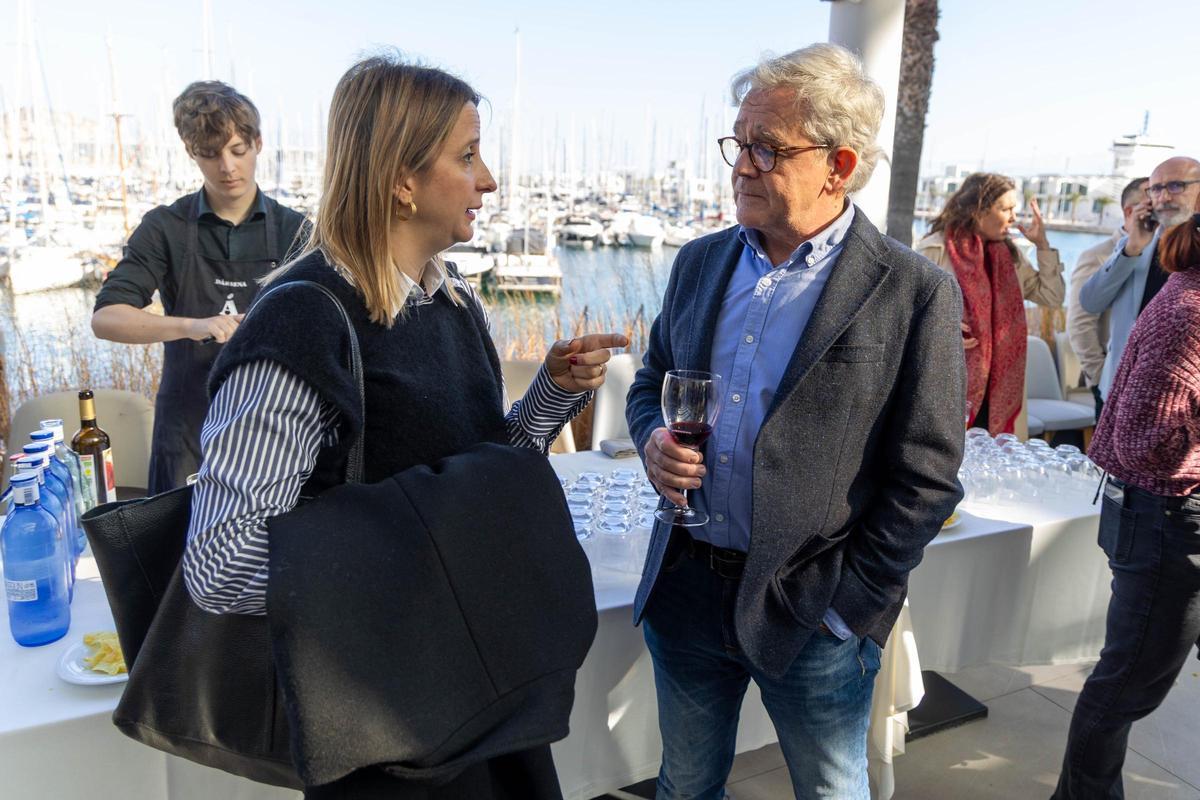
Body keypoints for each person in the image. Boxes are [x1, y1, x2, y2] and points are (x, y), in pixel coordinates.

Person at [181, 55, 626, 798]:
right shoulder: (302, 318)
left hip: (479, 690)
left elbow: (482, 483)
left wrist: (550, 396)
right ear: (401, 179)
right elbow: (219, 562)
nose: (488, 180)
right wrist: (425, 572)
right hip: (385, 729)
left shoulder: (454, 305)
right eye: (468, 155)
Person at [625, 44, 965, 800]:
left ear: (838, 165)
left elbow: (929, 477)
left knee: (831, 792)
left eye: (766, 149)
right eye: (738, 143)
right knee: (685, 787)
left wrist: (850, 612)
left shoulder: (913, 293)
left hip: (813, 607)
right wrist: (651, 436)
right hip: (684, 587)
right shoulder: (699, 262)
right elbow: (650, 382)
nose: (740, 165)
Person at [91, 81, 308, 494]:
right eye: (210, 155)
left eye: (237, 151)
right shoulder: (164, 228)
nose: (227, 167)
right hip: (187, 429)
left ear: (257, 143)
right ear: (192, 153)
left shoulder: (296, 231)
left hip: (273, 431)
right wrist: (192, 327)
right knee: (177, 553)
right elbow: (106, 319)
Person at [1052, 211, 1200, 799]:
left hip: (1166, 513)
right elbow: (1141, 438)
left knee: (1132, 677)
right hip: (1164, 519)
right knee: (1127, 684)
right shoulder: (1187, 313)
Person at [915, 173, 1065, 436]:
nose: (1013, 218)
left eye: (1014, 210)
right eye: (1005, 209)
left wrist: (1042, 246)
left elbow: (1052, 297)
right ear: (978, 209)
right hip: (946, 382)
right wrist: (939, 329)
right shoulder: (935, 250)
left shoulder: (1010, 256)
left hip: (999, 387)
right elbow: (904, 312)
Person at [1079, 156, 1200, 405]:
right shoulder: (1134, 246)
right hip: (1119, 389)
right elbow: (1090, 303)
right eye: (1156, 188)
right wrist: (1132, 248)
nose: (1164, 197)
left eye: (1176, 186)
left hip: (1182, 400)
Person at [1067, 177, 1147, 420]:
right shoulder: (1098, 255)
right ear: (1130, 211)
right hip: (1110, 381)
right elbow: (1080, 322)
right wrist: (1101, 374)